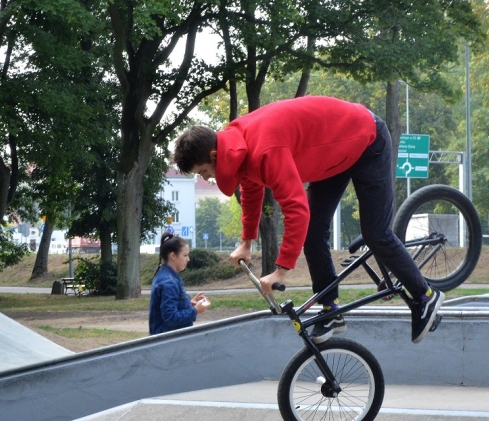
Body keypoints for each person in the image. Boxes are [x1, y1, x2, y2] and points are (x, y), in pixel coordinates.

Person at [171, 95, 444, 344]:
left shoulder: (265, 149)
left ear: (215, 155)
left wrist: (281, 270)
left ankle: (425, 296)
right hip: (333, 153)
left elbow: (296, 209)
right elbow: (252, 187)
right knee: (314, 231)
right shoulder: (237, 147)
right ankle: (331, 310)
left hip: (366, 139)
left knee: (376, 233)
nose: (207, 178)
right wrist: (247, 240)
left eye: (204, 171)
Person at [149, 232, 210, 334]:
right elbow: (171, 318)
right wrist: (195, 311)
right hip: (169, 344)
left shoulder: (164, 275)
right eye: (185, 255)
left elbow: (168, 308)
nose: (188, 259)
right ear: (173, 255)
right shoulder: (169, 282)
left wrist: (189, 304)